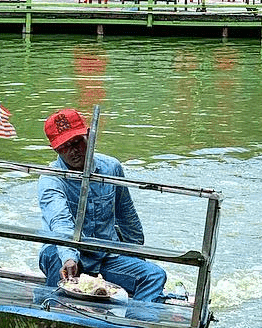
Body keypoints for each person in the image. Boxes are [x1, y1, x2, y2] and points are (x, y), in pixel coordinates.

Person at [37, 107, 167, 301]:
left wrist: (137, 255)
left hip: (104, 255)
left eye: (78, 142)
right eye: (65, 146)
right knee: (61, 276)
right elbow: (60, 222)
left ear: (88, 137)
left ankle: (134, 325)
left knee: (154, 275)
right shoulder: (51, 179)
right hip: (62, 253)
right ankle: (53, 314)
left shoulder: (111, 168)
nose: (74, 151)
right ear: (55, 149)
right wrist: (70, 257)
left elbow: (127, 216)